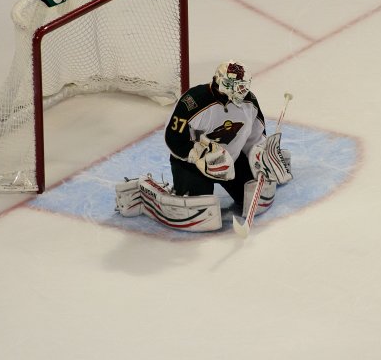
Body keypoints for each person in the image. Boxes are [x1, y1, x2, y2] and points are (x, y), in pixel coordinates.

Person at [115, 60, 291, 232]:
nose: (243, 90)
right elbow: (173, 137)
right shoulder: (194, 101)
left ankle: (277, 160)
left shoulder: (249, 102)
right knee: (200, 213)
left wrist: (260, 154)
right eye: (237, 85)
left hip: (232, 160)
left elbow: (255, 136)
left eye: (244, 85)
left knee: (256, 197)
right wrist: (194, 156)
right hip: (192, 164)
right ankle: (147, 194)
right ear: (223, 83)